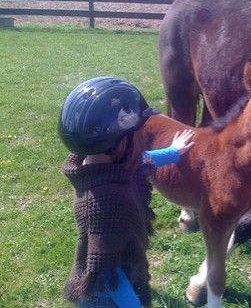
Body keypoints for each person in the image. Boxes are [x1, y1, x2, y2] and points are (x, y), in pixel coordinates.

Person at [58, 77, 195, 307]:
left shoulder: (99, 167)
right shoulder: (106, 202)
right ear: (120, 142)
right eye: (139, 133)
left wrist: (173, 152)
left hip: (118, 278)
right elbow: (109, 274)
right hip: (105, 297)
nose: (143, 138)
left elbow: (139, 162)